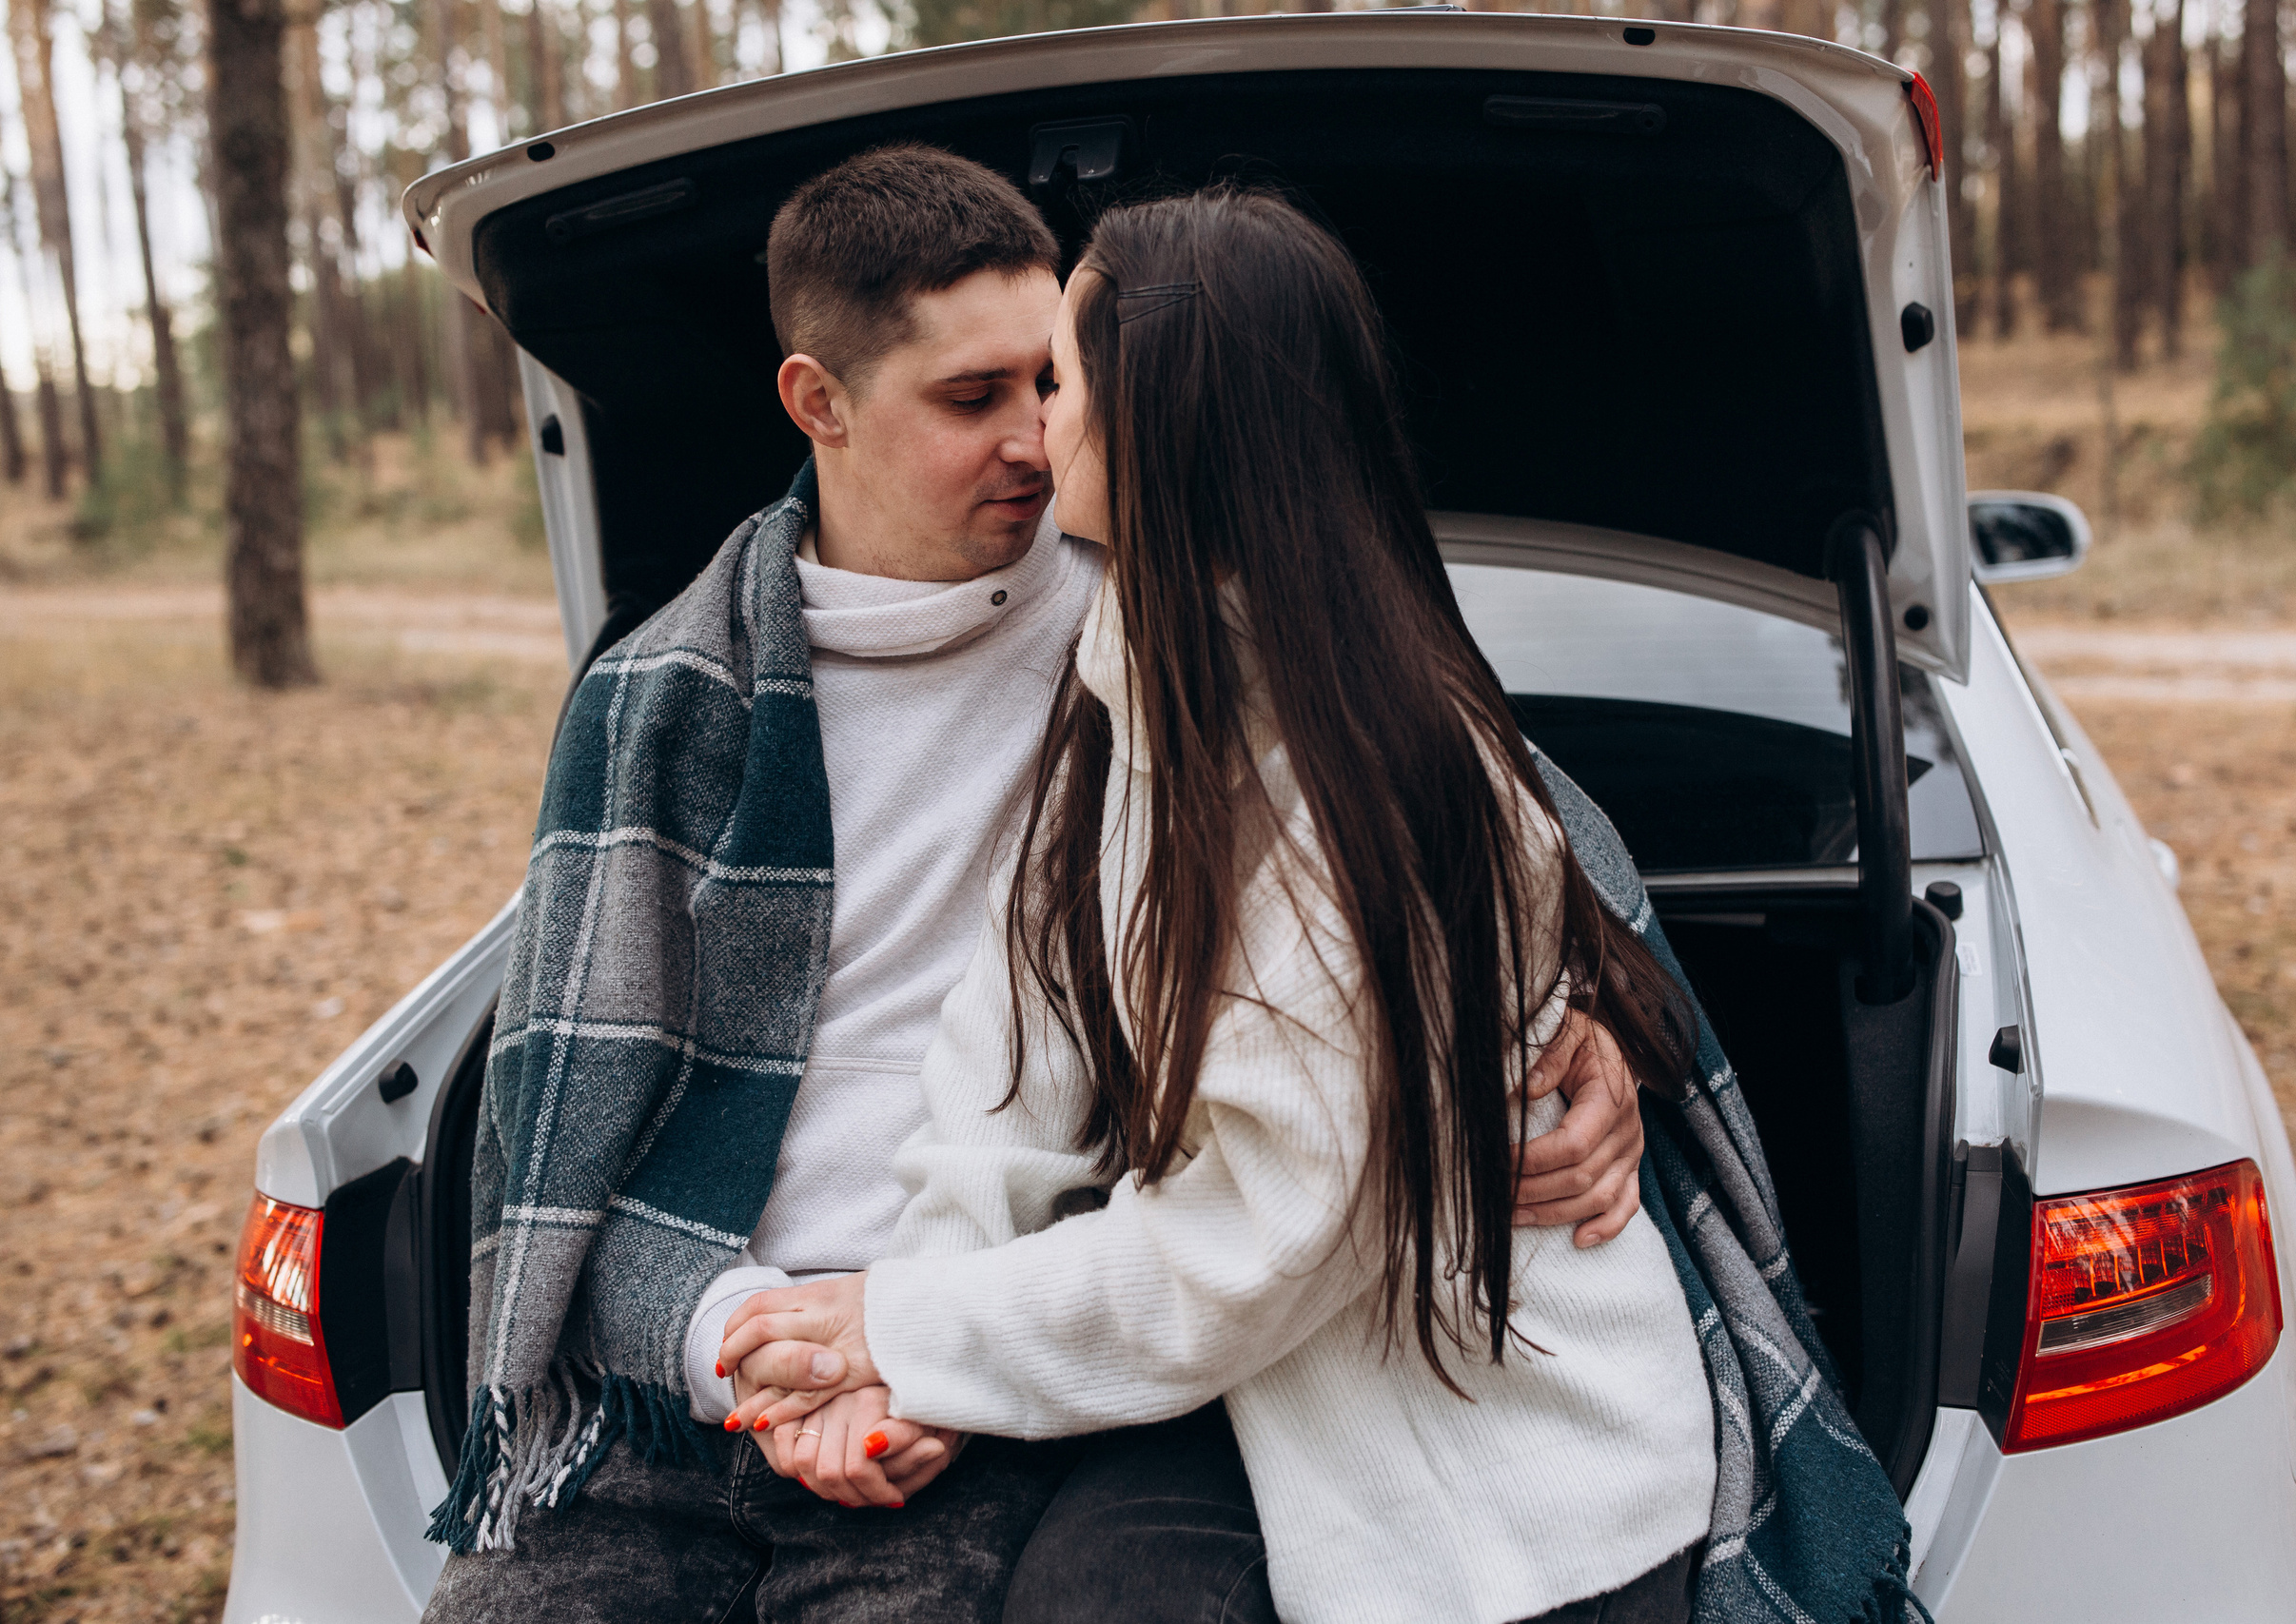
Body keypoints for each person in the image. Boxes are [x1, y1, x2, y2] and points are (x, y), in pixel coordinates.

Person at [421, 144, 1652, 1624]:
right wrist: (767, 1341)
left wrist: (1571, 1022)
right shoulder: (665, 699)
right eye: (974, 397)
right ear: (818, 403)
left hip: (1022, 1335)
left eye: (1050, 382)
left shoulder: (1160, 635)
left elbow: (1486, 845)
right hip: (729, 1355)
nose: (1031, 437)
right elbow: (564, 1144)